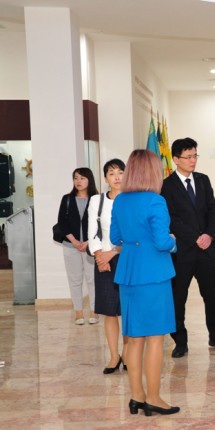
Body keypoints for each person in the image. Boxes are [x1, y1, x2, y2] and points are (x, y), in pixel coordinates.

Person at [110, 149, 179, 417]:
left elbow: (115, 237)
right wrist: (173, 241)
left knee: (135, 338)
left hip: (128, 273)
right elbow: (162, 242)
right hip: (153, 273)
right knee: (155, 338)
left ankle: (136, 396)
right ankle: (153, 398)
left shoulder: (120, 200)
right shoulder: (155, 201)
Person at [160, 137, 215, 358]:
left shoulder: (203, 180)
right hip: (183, 251)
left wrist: (207, 234)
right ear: (176, 159)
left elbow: (212, 209)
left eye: (195, 155)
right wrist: (194, 238)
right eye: (188, 156)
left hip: (205, 249)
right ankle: (180, 341)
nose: (193, 160)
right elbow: (171, 218)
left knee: (211, 295)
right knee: (178, 297)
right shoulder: (167, 185)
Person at [87, 158, 127, 374]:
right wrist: (99, 256)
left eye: (120, 172)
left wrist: (114, 251)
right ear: (105, 178)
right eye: (112, 173)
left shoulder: (132, 199)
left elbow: (133, 234)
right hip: (104, 260)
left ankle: (128, 353)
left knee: (127, 309)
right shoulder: (97, 200)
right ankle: (114, 356)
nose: (117, 177)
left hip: (126, 258)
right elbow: (92, 231)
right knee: (109, 311)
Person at [57, 167, 98, 325]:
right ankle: (78, 312)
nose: (78, 181)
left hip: (91, 246)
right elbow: (62, 222)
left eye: (82, 178)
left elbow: (100, 223)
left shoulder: (97, 199)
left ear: (89, 180)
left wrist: (88, 242)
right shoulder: (67, 199)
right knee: (75, 280)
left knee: (92, 280)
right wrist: (74, 241)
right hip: (70, 246)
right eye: (75, 178)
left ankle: (94, 311)